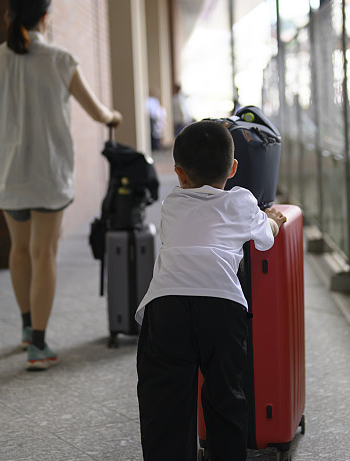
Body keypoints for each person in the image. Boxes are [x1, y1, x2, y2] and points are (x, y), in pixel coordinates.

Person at [0, 0, 122, 371]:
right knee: (44, 253)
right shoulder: (61, 59)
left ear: (8, 14)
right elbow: (98, 112)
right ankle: (38, 347)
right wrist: (115, 118)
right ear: (46, 17)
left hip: (7, 175)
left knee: (20, 250)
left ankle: (28, 329)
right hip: (47, 175)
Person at [135, 121, 287, 461]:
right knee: (226, 398)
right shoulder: (243, 202)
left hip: (167, 306)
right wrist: (275, 219)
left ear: (178, 174)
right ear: (233, 168)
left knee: (165, 403)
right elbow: (265, 237)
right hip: (223, 307)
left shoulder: (171, 204)